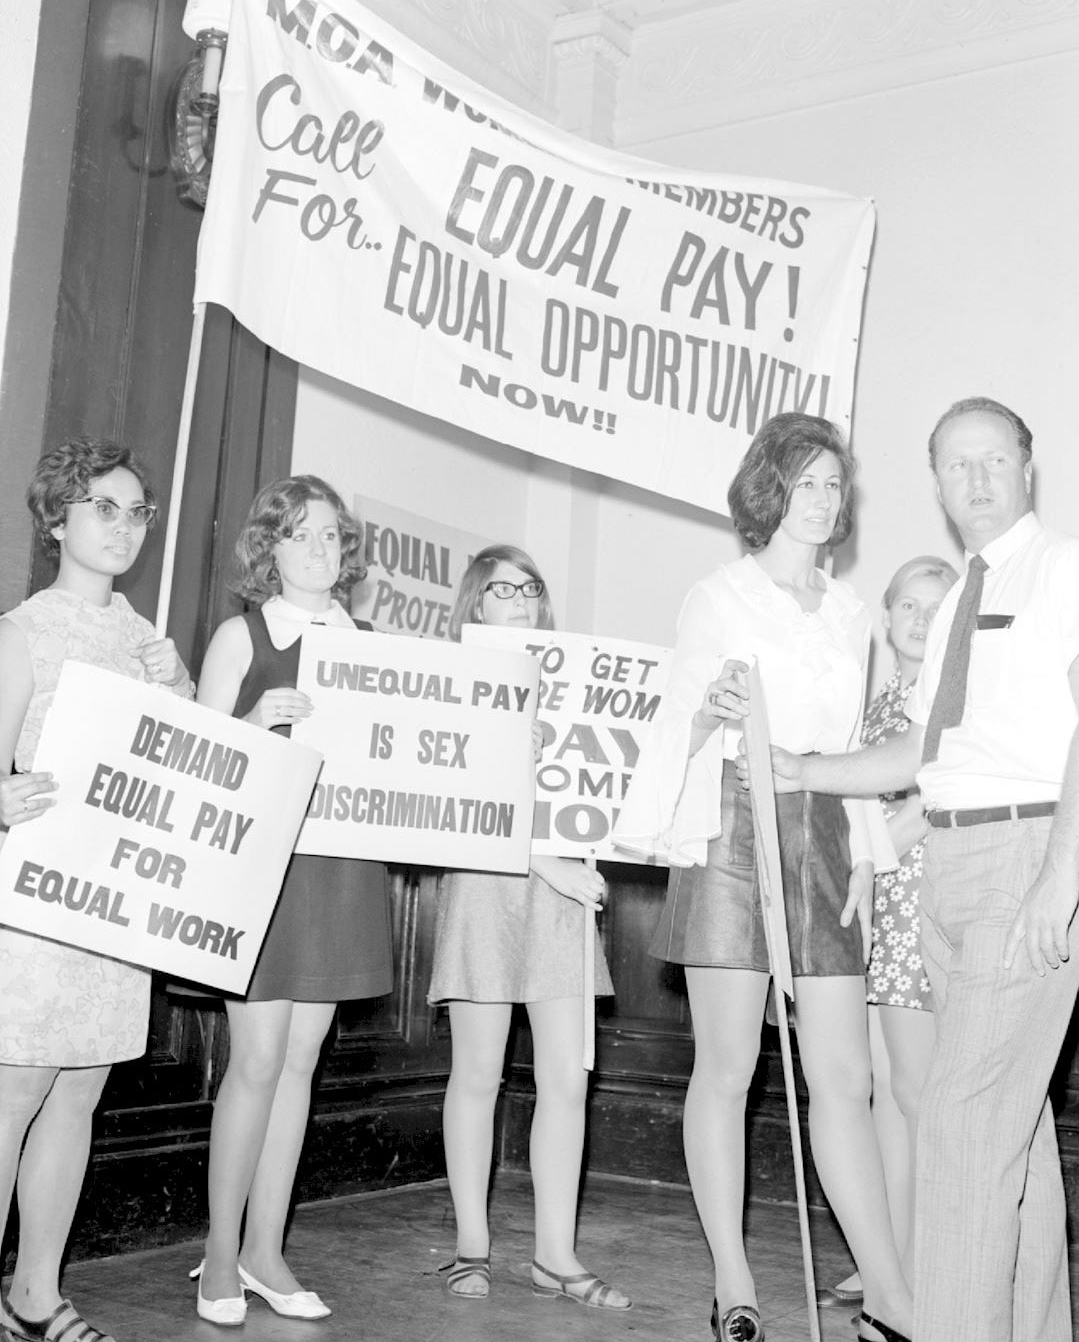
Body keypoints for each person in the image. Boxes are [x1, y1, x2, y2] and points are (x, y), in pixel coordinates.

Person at [770, 398, 1079, 1342]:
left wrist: (1062, 870)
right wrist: (802, 769)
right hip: (947, 858)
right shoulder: (957, 603)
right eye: (954, 464)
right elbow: (923, 758)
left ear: (1027, 465)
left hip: (1029, 851)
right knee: (1014, 1131)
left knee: (960, 1124)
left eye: (992, 460)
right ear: (933, 482)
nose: (974, 479)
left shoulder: (1071, 570)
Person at [614, 412, 911, 1342]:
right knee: (730, 1065)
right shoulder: (719, 597)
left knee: (844, 1076)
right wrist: (709, 710)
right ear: (768, 490)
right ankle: (734, 1283)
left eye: (835, 486)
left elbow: (855, 744)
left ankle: (891, 1300)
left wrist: (864, 850)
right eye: (808, 482)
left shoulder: (852, 610)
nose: (825, 501)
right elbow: (681, 727)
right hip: (736, 830)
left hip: (822, 829)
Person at [0, 438, 193, 1342]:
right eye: (102, 508)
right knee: (15, 1092)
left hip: (117, 908)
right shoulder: (21, 631)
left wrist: (181, 691)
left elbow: (190, 783)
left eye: (137, 511)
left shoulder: (149, 645)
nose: (123, 527)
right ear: (56, 519)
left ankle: (35, 1294)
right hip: (36, 903)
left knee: (79, 1092)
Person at [191, 475, 393, 1325]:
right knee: (259, 1062)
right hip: (264, 868)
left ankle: (268, 1249)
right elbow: (196, 761)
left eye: (329, 535)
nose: (317, 548)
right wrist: (253, 718)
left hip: (341, 865)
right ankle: (217, 1255)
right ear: (267, 547)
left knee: (302, 1065)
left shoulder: (372, 640)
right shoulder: (243, 635)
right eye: (298, 533)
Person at [427, 544, 630, 1311]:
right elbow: (452, 796)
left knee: (564, 1077)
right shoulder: (451, 680)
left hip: (563, 892)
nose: (518, 598)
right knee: (478, 1074)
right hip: (487, 886)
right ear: (474, 603)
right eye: (501, 587)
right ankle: (469, 1246)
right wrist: (547, 860)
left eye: (530, 587)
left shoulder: (576, 684)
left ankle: (555, 1252)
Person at [821, 555, 957, 1309]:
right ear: (885, 614)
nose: (917, 617)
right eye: (906, 603)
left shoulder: (948, 698)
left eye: (935, 608)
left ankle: (914, 1270)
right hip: (865, 910)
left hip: (911, 906)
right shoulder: (872, 702)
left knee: (913, 1094)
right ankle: (886, 1262)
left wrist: (869, 861)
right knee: (877, 1096)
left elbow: (928, 802)